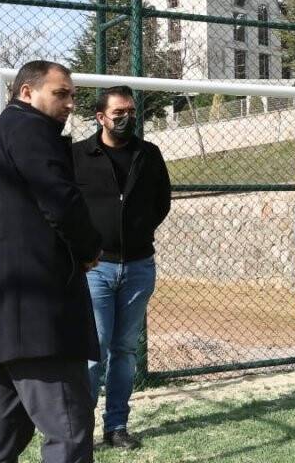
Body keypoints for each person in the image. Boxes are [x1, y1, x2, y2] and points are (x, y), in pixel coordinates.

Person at [0, 60, 103, 463]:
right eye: (61, 93)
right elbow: (61, 201)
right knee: (68, 430)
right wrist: (90, 249)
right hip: (37, 309)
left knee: (1, 436)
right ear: (26, 92)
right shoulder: (31, 130)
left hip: (3, 310)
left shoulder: (1, 133)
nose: (71, 102)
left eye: (72, 94)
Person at [71, 85, 172, 449]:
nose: (127, 118)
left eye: (131, 111)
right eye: (119, 113)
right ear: (100, 117)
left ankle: (116, 427)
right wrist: (88, 246)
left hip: (139, 268)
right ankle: (78, 431)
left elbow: (162, 202)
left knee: (125, 350)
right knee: (93, 348)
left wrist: (139, 230)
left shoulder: (149, 154)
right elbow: (68, 207)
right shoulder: (78, 156)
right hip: (94, 268)